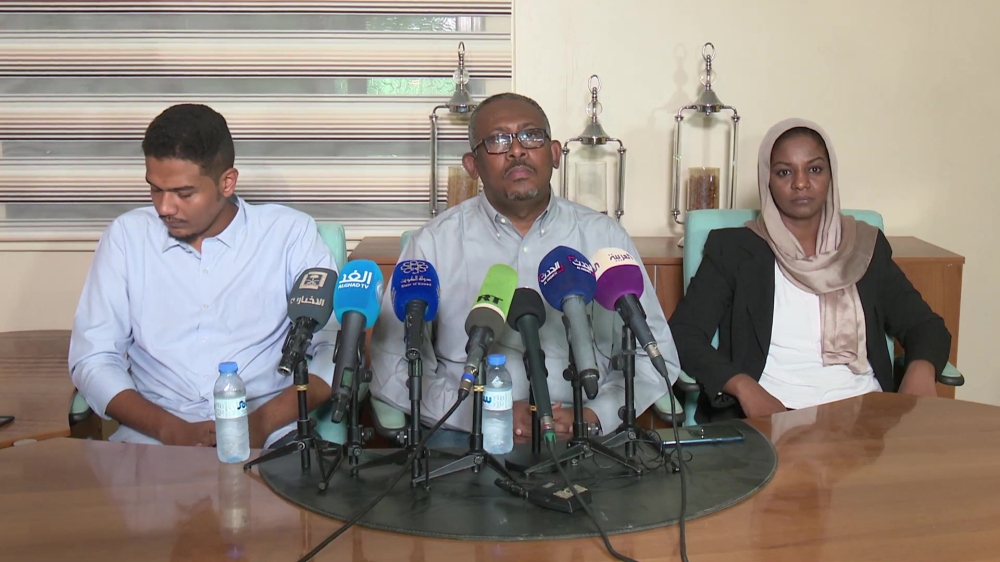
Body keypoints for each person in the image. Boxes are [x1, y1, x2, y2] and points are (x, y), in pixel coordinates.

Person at [369, 93, 678, 446]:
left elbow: (655, 353)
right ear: (473, 166)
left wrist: (597, 415)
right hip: (468, 437)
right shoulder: (433, 244)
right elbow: (393, 362)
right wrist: (478, 413)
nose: (517, 150)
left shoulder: (604, 238)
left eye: (531, 136)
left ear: (556, 153)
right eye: (498, 140)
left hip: (589, 438)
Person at [69, 103, 336, 449]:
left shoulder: (289, 235)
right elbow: (93, 358)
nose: (164, 208)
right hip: (152, 441)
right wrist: (170, 430)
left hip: (269, 438)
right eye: (154, 189)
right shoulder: (126, 238)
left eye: (184, 193)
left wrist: (261, 423)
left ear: (227, 182)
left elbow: (333, 351)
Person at [669, 118, 951, 420]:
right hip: (771, 416)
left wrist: (920, 370)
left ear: (831, 175)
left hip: (865, 415)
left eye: (814, 169)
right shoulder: (735, 250)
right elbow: (684, 334)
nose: (800, 183)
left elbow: (925, 325)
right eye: (784, 172)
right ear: (767, 179)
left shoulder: (865, 247)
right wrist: (743, 386)